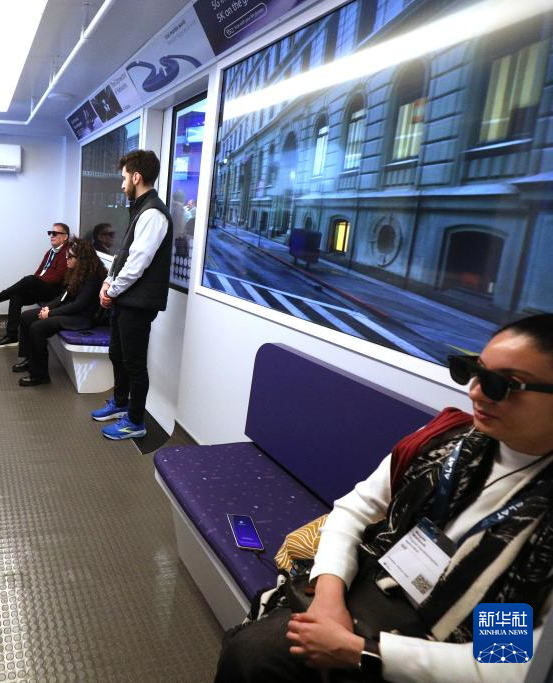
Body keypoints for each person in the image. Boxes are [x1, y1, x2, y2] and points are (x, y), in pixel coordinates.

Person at [213, 314, 553, 683]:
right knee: (251, 654)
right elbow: (354, 510)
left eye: (503, 384)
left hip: (449, 650)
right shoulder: (444, 441)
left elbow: (520, 659)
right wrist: (328, 600)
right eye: (474, 371)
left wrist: (360, 652)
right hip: (377, 589)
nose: (476, 392)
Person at [91, 150, 173, 440]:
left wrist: (111, 290)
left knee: (135, 364)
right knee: (117, 354)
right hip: (125, 299)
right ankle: (120, 403)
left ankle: (135, 422)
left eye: (124, 177)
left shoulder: (153, 213)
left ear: (136, 177)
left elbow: (138, 263)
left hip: (138, 303)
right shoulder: (139, 209)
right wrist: (107, 283)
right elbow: (123, 255)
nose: (122, 183)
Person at [13, 239, 108, 387]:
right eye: (67, 256)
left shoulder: (93, 278)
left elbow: (78, 306)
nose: (67, 259)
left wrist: (50, 314)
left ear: (82, 259)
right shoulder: (76, 273)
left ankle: (40, 375)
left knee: (38, 327)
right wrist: (47, 308)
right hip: (70, 311)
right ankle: (30, 360)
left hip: (81, 318)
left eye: (71, 256)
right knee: (26, 317)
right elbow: (62, 297)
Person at [0, 223, 72, 347]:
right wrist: (34, 283)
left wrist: (36, 281)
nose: (51, 236)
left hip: (54, 291)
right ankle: (11, 336)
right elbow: (39, 272)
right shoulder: (50, 252)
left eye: (55, 233)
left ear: (65, 237)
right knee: (16, 296)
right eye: (50, 233)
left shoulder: (66, 252)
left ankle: (0, 296)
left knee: (30, 279)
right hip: (43, 288)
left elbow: (57, 278)